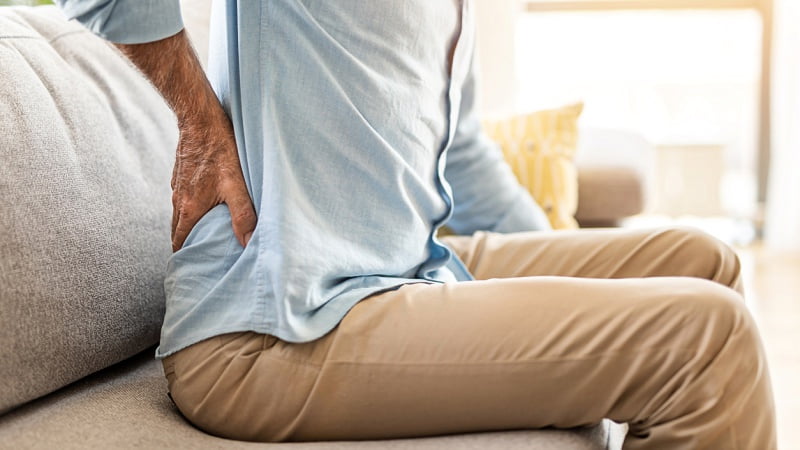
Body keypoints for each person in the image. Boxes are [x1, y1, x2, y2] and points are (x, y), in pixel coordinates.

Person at [55, 1, 776, 448]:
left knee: (704, 261)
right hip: (273, 328)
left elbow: (460, 152)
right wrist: (198, 121)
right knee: (708, 341)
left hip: (402, 265)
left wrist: (560, 291)